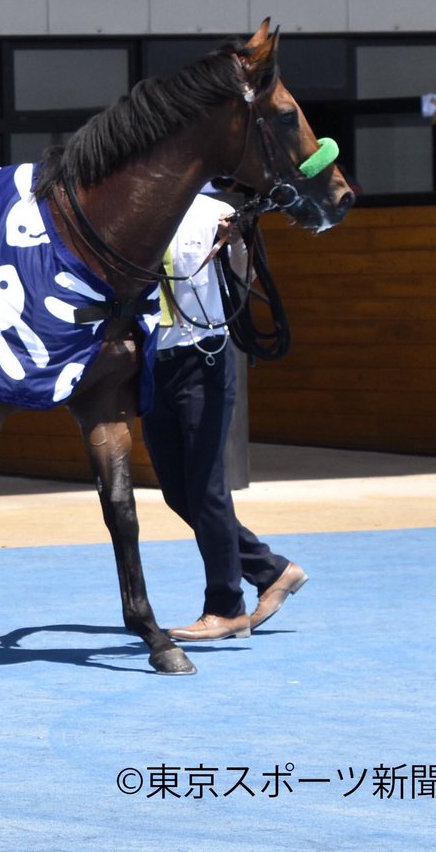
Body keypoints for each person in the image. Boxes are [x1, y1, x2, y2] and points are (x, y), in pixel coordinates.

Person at [141, 190, 307, 642]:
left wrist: (237, 241)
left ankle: (226, 607)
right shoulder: (138, 210)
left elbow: (241, 276)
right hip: (154, 364)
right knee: (179, 493)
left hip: (204, 360)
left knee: (207, 490)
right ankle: (273, 570)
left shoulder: (214, 212)